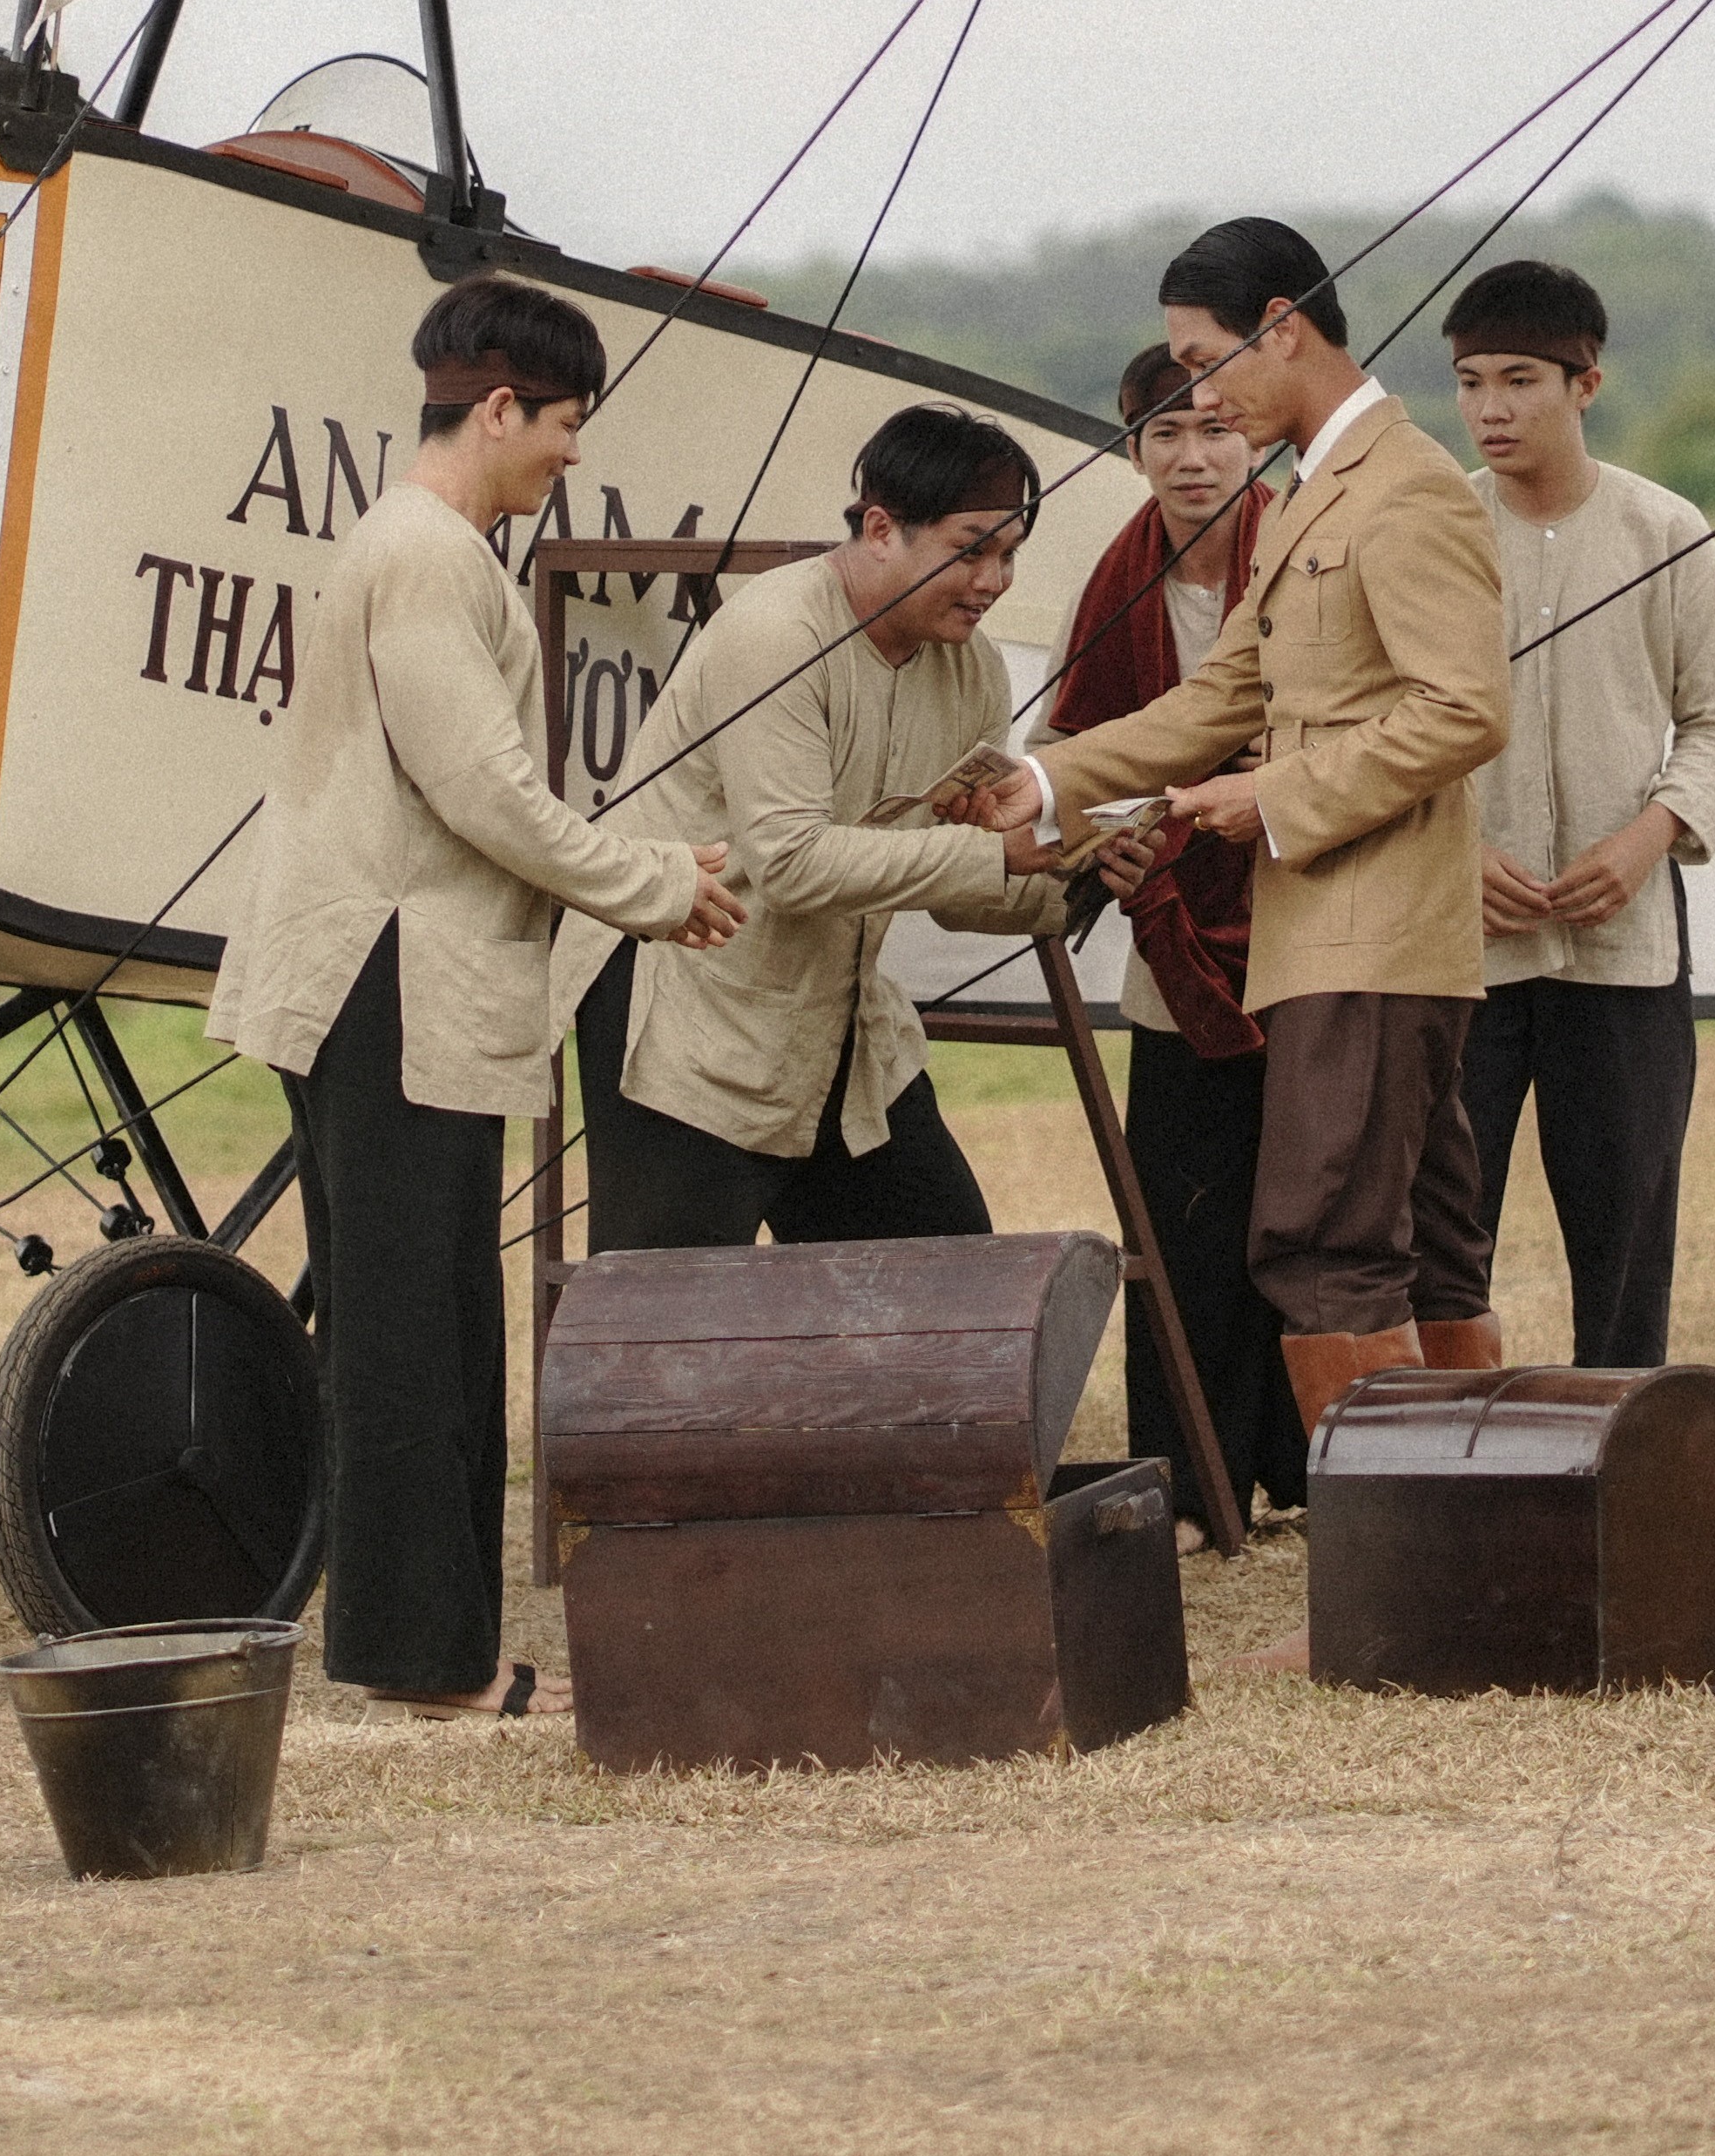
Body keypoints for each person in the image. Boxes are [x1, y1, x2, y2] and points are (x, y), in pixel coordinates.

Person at [206, 274, 743, 1714]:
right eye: (563, 422)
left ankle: (428, 1644)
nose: (572, 452)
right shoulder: (430, 557)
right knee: (405, 1329)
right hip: (392, 978)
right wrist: (654, 884)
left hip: (400, 979)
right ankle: (417, 1657)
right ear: (496, 407)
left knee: (431, 1313)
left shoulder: (424, 552)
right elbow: (486, 795)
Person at [982, 217, 1510, 1436]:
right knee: (1420, 1238)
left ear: (1284, 327)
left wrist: (1270, 797)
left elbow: (1465, 710)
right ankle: (1464, 1544)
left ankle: (1393, 1572)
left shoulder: (1407, 488)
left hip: (1375, 933)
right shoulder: (1325, 492)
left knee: (1326, 1240)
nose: (1199, 393)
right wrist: (1048, 784)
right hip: (1333, 929)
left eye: (1208, 359)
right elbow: (1228, 692)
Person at [577, 406, 1081, 1248]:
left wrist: (1081, 873)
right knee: (663, 1342)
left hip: (841, 1031)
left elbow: (961, 894)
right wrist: (991, 854)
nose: (994, 580)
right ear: (880, 527)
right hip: (687, 1022)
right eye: (971, 548)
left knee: (945, 1283)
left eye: (1010, 554)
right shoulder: (778, 631)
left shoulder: (975, 666)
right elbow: (790, 863)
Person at [1445, 260, 1715, 1368]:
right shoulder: (1435, 529)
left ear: (1587, 383)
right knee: (1444, 1228)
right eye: (1471, 380)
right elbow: (1382, 728)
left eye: (1520, 378)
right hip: (1464, 945)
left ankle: (1623, 1460)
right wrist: (1455, 851)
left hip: (1625, 948)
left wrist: (1650, 838)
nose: (1490, 407)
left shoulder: (1663, 528)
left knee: (1625, 1235)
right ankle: (1445, 1461)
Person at [1052, 341, 1308, 1528]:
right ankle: (1197, 1480)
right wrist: (1100, 847)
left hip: (1315, 928)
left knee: (1311, 1218)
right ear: (1132, 447)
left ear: (1253, 436)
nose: (1193, 456)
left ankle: (1315, 1471)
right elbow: (1079, 757)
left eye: (1215, 429)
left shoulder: (1310, 549)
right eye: (1165, 434)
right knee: (1185, 1220)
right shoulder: (1111, 590)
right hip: (1173, 950)